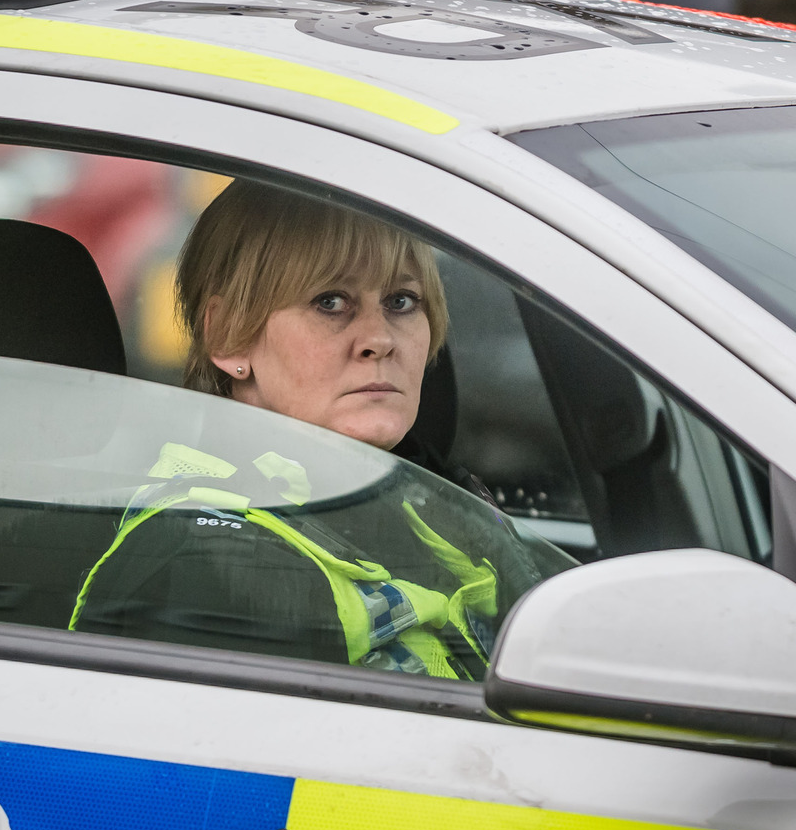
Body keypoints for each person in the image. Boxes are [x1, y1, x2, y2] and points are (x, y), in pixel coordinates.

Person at [66, 180, 567, 679]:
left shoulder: (430, 508)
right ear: (228, 336)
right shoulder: (202, 566)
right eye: (330, 302)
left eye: (401, 301)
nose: (379, 339)